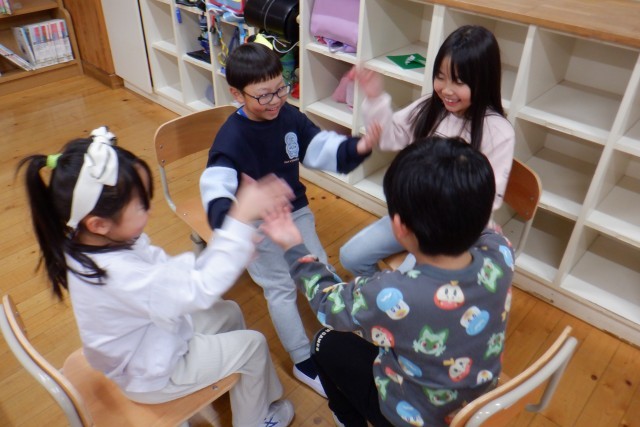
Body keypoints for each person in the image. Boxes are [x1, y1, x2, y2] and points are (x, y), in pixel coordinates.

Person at [18, 127, 296, 427]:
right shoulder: (122, 275)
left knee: (228, 312)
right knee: (254, 345)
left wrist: (229, 248)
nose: (149, 211)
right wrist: (238, 224)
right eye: (141, 205)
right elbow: (198, 288)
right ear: (98, 224)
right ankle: (255, 421)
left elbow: (171, 279)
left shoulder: (84, 241)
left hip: (144, 346)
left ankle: (239, 388)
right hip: (154, 373)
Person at [262, 136, 515, 426]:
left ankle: (347, 419)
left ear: (399, 226)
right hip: (478, 406)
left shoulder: (393, 293)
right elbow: (490, 231)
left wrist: (293, 246)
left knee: (323, 342)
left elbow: (326, 302)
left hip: (410, 417)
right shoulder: (501, 253)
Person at [199, 42, 380, 397]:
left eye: (280, 89)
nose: (275, 101)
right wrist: (233, 224)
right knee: (280, 287)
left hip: (295, 210)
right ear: (237, 94)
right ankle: (302, 359)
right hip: (257, 221)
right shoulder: (230, 137)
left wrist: (356, 147)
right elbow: (216, 186)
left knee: (318, 266)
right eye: (263, 96)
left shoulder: (289, 115)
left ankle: (341, 330)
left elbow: (319, 147)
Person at [340, 25, 515, 277]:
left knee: (412, 281)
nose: (446, 89)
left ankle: (396, 295)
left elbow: (488, 199)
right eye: (440, 77)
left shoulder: (498, 132)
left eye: (459, 81)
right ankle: (387, 295)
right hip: (413, 216)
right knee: (350, 256)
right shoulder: (429, 107)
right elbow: (388, 139)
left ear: (484, 81)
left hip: (454, 232)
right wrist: (376, 99)